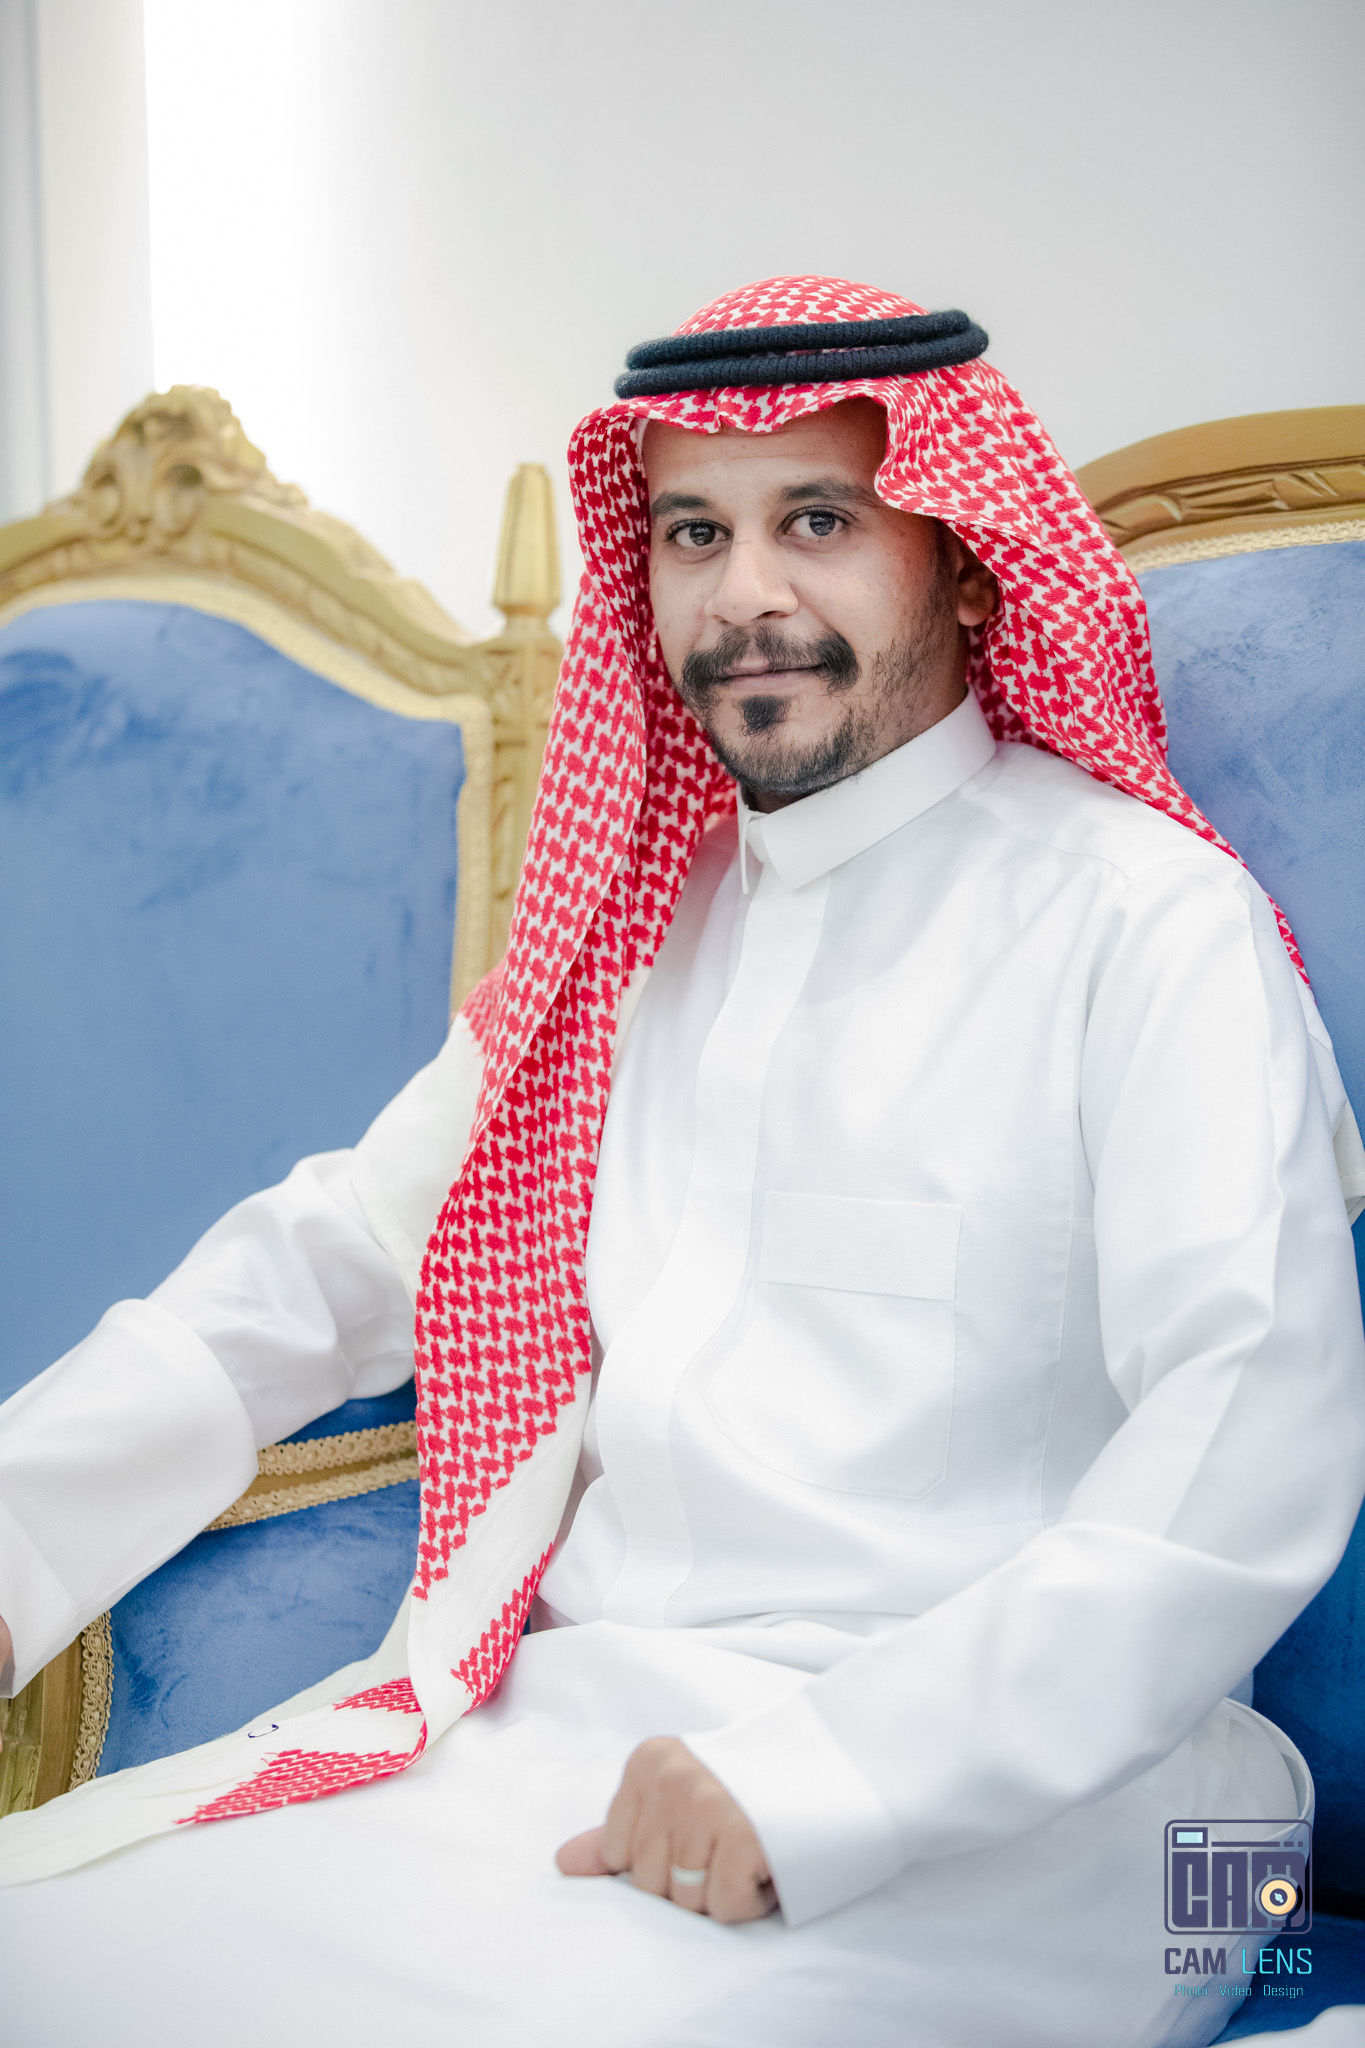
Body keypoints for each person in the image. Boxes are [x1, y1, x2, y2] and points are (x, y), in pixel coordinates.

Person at [1, 275, 1363, 2048]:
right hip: (584, 1742)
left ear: (964, 564)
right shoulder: (636, 932)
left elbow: (1242, 1433)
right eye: (693, 532)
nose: (743, 595)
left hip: (1098, 1812)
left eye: (818, 521)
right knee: (59, 1959)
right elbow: (326, 1263)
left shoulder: (1145, 922)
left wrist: (829, 1777)